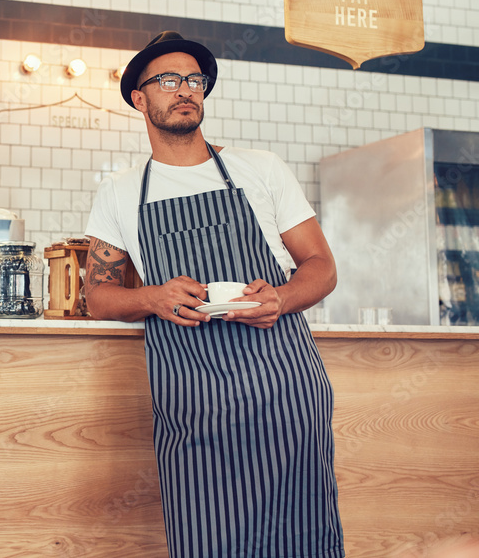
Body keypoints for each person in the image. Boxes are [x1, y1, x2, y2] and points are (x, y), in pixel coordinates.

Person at [84, 31, 344, 557]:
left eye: (195, 80)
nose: (185, 90)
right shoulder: (120, 191)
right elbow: (98, 296)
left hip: (283, 388)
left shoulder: (261, 168)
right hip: (193, 400)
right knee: (207, 536)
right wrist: (152, 297)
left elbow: (322, 267)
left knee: (301, 536)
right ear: (140, 98)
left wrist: (282, 299)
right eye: (169, 80)